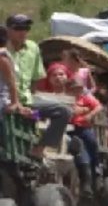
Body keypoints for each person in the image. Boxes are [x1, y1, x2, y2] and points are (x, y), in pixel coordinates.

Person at [6, 15, 73, 160]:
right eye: (18, 28)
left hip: (28, 100)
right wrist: (16, 103)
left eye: (26, 28)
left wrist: (30, 105)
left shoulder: (32, 48)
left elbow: (35, 79)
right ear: (8, 30)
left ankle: (39, 148)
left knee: (63, 111)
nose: (22, 32)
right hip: (7, 100)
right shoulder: (3, 50)